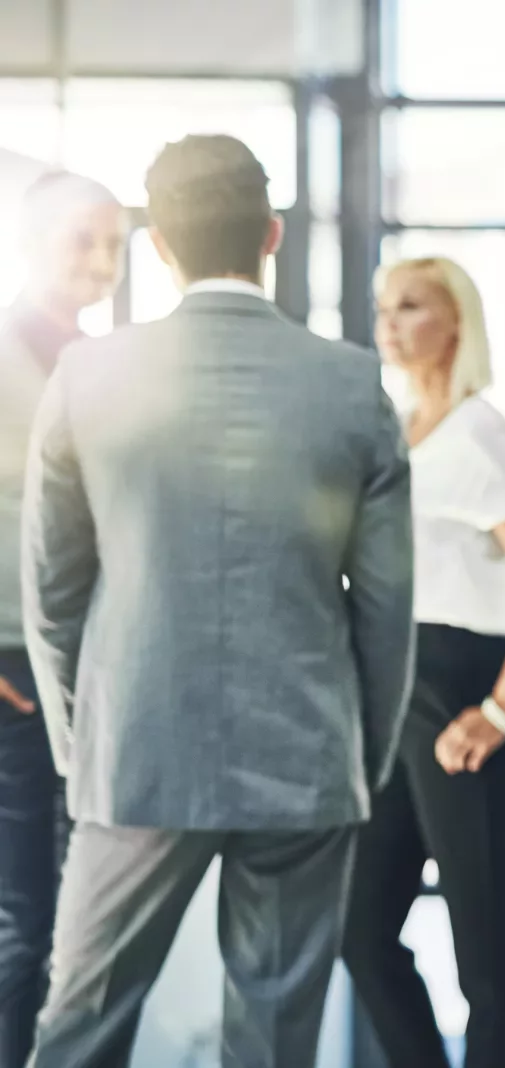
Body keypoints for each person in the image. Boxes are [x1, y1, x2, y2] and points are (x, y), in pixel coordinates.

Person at [20, 134, 415, 1068]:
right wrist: (359, 753)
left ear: (161, 248)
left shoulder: (89, 375)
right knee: (276, 1043)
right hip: (306, 757)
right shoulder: (352, 384)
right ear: (271, 235)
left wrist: (87, 746)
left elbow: (53, 589)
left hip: (135, 756)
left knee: (77, 1030)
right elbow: (387, 607)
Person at [342, 256, 505, 1068]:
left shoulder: (478, 431)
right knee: (360, 930)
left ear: (454, 323)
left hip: (465, 684)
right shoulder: (396, 427)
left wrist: (501, 709)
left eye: (411, 306)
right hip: (397, 690)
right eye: (384, 306)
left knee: (483, 949)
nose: (389, 321)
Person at [0, 171, 123, 1068]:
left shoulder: (108, 368)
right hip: (10, 673)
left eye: (114, 241)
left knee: (85, 931)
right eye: (82, 238)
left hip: (92, 675)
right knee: (22, 926)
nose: (101, 259)